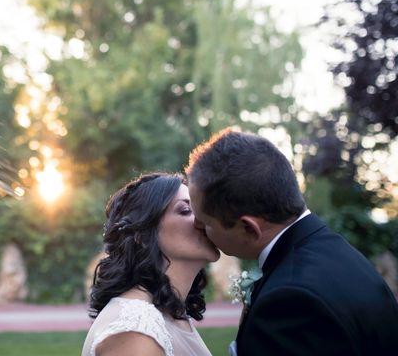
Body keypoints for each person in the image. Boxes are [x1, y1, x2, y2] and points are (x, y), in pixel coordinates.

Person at [185, 128, 398, 356]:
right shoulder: (336, 251)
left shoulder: (289, 303)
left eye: (206, 221)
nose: (196, 225)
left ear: (249, 228)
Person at [82, 172, 220, 356]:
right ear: (142, 235)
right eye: (186, 210)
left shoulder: (172, 314)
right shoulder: (135, 330)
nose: (203, 220)